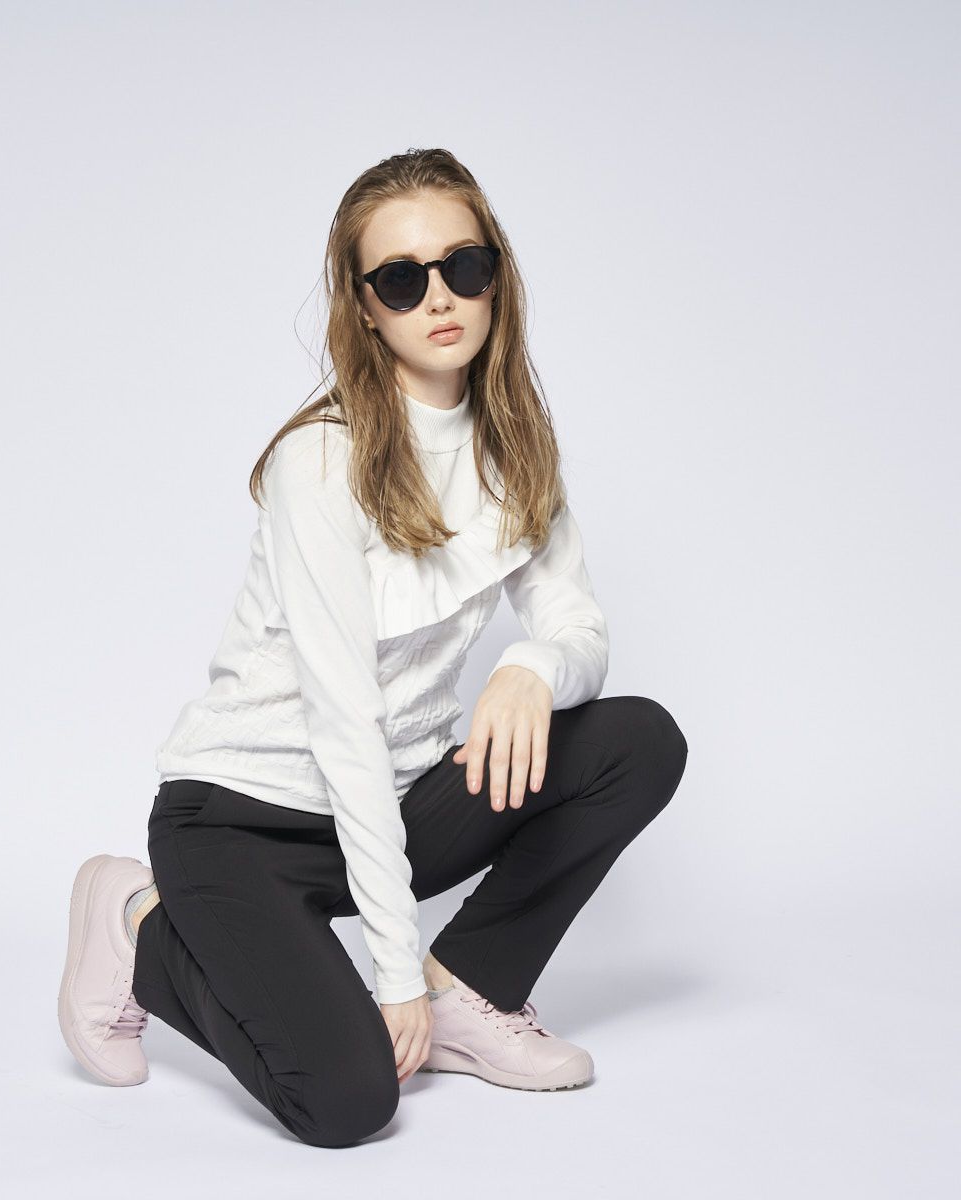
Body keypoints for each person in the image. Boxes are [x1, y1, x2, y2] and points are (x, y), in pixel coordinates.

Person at [57, 147, 688, 1148]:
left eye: (464, 266)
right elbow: (344, 720)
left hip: (393, 809)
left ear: (496, 276)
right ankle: (135, 919)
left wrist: (531, 669)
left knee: (636, 741)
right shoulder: (322, 460)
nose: (439, 297)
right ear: (364, 308)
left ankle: (470, 992)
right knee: (348, 1102)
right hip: (239, 822)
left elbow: (576, 627)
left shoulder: (516, 447)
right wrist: (392, 975)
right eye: (401, 279)